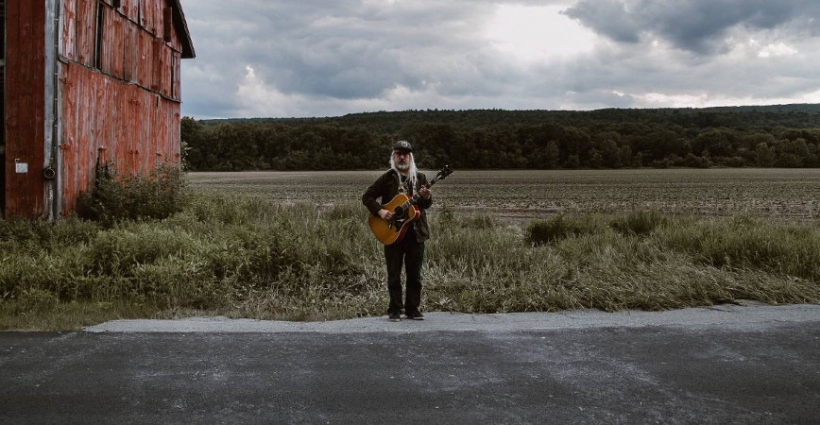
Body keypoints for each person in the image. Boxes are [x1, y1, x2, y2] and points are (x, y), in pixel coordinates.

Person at [362, 140, 433, 322]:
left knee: (415, 275)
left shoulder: (421, 178)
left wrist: (426, 197)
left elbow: (425, 205)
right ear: (393, 156)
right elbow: (367, 197)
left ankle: (412, 309)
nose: (402, 157)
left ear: (410, 157)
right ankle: (394, 309)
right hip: (392, 232)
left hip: (415, 233)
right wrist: (380, 211)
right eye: (399, 153)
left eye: (406, 154)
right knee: (394, 274)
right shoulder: (387, 178)